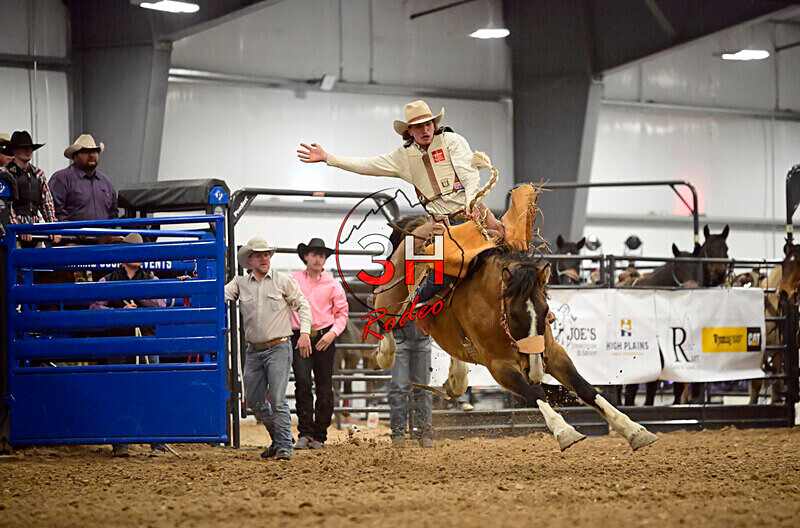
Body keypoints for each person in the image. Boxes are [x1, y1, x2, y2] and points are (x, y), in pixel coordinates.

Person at [297, 100, 503, 314]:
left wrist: (470, 201)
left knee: (508, 244)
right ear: (410, 131)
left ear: (434, 125)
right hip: (444, 225)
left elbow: (470, 175)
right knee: (443, 272)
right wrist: (329, 158)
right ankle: (419, 301)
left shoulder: (452, 141)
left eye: (428, 124)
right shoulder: (403, 157)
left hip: (472, 214)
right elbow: (369, 165)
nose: (425, 129)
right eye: (419, 126)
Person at [225, 237, 312, 461]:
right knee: (253, 399)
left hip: (279, 346)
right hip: (253, 350)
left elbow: (302, 305)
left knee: (277, 397)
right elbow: (220, 295)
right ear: (250, 259)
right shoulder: (239, 283)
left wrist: (304, 332)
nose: (264, 258)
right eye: (259, 255)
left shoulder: (283, 281)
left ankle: (284, 447)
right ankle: (280, 439)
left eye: (267, 254)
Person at [89, 232, 167, 457]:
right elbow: (95, 307)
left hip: (146, 339)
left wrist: (138, 295)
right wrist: (118, 313)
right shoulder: (108, 279)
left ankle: (157, 442)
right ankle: (121, 442)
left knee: (152, 389)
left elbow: (160, 304)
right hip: (119, 340)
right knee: (119, 388)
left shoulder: (151, 278)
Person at [290, 238, 349, 450]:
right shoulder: (293, 281)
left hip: (325, 336)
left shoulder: (333, 284)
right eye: (314, 254)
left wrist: (332, 334)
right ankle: (305, 432)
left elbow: (342, 313)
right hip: (300, 337)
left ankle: (319, 435)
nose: (318, 259)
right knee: (303, 383)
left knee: (324, 386)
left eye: (321, 255)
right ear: (306, 257)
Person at [1, 130, 60, 246]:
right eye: (23, 147)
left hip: (34, 230)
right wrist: (18, 227)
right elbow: (6, 206)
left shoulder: (38, 174)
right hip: (12, 233)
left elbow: (47, 204)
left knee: (36, 261)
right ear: (14, 150)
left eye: (29, 147)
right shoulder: (4, 174)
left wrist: (53, 227)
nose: (28, 150)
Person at [49, 134, 119, 223]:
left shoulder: (106, 183)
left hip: (103, 235)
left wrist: (110, 234)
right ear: (75, 156)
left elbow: (113, 213)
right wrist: (74, 230)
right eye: (86, 151)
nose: (92, 155)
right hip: (71, 236)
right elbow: (55, 212)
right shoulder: (61, 179)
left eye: (95, 151)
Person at [388, 323, 434, 448]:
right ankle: (400, 433)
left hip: (416, 338)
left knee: (419, 388)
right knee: (400, 388)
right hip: (401, 338)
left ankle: (422, 433)